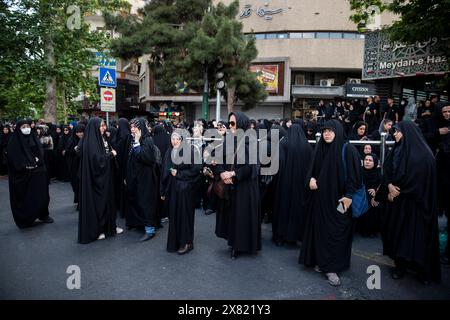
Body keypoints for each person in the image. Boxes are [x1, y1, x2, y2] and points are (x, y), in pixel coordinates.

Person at [299, 120, 363, 286]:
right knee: (321, 231)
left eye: (330, 131)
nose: (327, 134)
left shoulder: (347, 149)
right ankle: (320, 261)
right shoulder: (320, 148)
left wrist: (349, 196)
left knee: (338, 231)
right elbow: (311, 171)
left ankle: (332, 268)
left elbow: (355, 176)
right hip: (320, 201)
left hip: (341, 201)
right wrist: (311, 179)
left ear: (338, 131)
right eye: (325, 131)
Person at [381, 121, 441, 284]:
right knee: (399, 235)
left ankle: (421, 270)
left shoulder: (424, 156)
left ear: (408, 133)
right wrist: (389, 185)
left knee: (417, 239)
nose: (395, 134)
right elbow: (387, 171)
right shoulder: (397, 150)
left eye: (397, 131)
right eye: (394, 131)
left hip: (417, 206)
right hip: (399, 205)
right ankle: (400, 266)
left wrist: (396, 191)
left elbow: (421, 181)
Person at [213, 112, 261, 259]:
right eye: (229, 123)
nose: (230, 126)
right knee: (231, 216)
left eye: (233, 123)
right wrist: (221, 173)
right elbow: (219, 159)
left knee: (241, 217)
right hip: (229, 186)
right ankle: (232, 242)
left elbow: (251, 167)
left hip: (244, 188)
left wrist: (232, 174)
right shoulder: (228, 139)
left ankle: (239, 246)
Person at [78, 117, 123, 244]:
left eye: (104, 126)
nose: (104, 128)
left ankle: (111, 227)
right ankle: (99, 230)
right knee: (99, 205)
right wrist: (111, 155)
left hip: (106, 178)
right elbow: (98, 162)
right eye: (101, 126)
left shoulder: (102, 139)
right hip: (96, 181)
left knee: (109, 202)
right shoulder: (90, 142)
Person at [160, 130, 201, 254]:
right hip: (173, 189)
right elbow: (164, 172)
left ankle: (187, 242)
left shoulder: (190, 152)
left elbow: (196, 170)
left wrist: (179, 174)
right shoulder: (169, 152)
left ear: (182, 139)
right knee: (174, 215)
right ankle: (175, 242)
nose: (175, 141)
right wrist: (162, 190)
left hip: (185, 190)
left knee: (185, 216)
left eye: (177, 139)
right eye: (173, 138)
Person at [7, 119, 53, 228]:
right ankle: (27, 219)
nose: (26, 129)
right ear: (18, 129)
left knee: (42, 195)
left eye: (27, 126)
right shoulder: (14, 142)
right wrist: (27, 164)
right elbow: (14, 159)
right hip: (24, 175)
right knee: (27, 198)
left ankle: (43, 215)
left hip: (38, 172)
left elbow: (40, 152)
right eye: (23, 127)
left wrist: (38, 161)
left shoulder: (34, 137)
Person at [272, 124, 313, 245]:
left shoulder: (283, 144)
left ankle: (280, 236)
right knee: (297, 210)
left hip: (284, 184)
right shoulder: (307, 146)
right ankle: (294, 237)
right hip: (300, 186)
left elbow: (277, 163)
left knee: (282, 208)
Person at [125, 118, 160, 241]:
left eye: (135, 127)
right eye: (131, 127)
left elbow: (147, 159)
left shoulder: (147, 140)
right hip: (135, 177)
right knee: (136, 200)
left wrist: (137, 143)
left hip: (146, 179)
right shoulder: (133, 139)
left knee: (146, 202)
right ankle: (138, 223)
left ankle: (150, 230)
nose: (133, 129)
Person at [356, 153, 381, 237]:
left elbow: (382, 186)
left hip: (374, 197)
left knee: (376, 202)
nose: (367, 162)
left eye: (370, 160)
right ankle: (363, 229)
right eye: (366, 160)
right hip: (361, 196)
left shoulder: (378, 174)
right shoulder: (359, 172)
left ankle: (372, 230)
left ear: (375, 163)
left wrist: (376, 192)